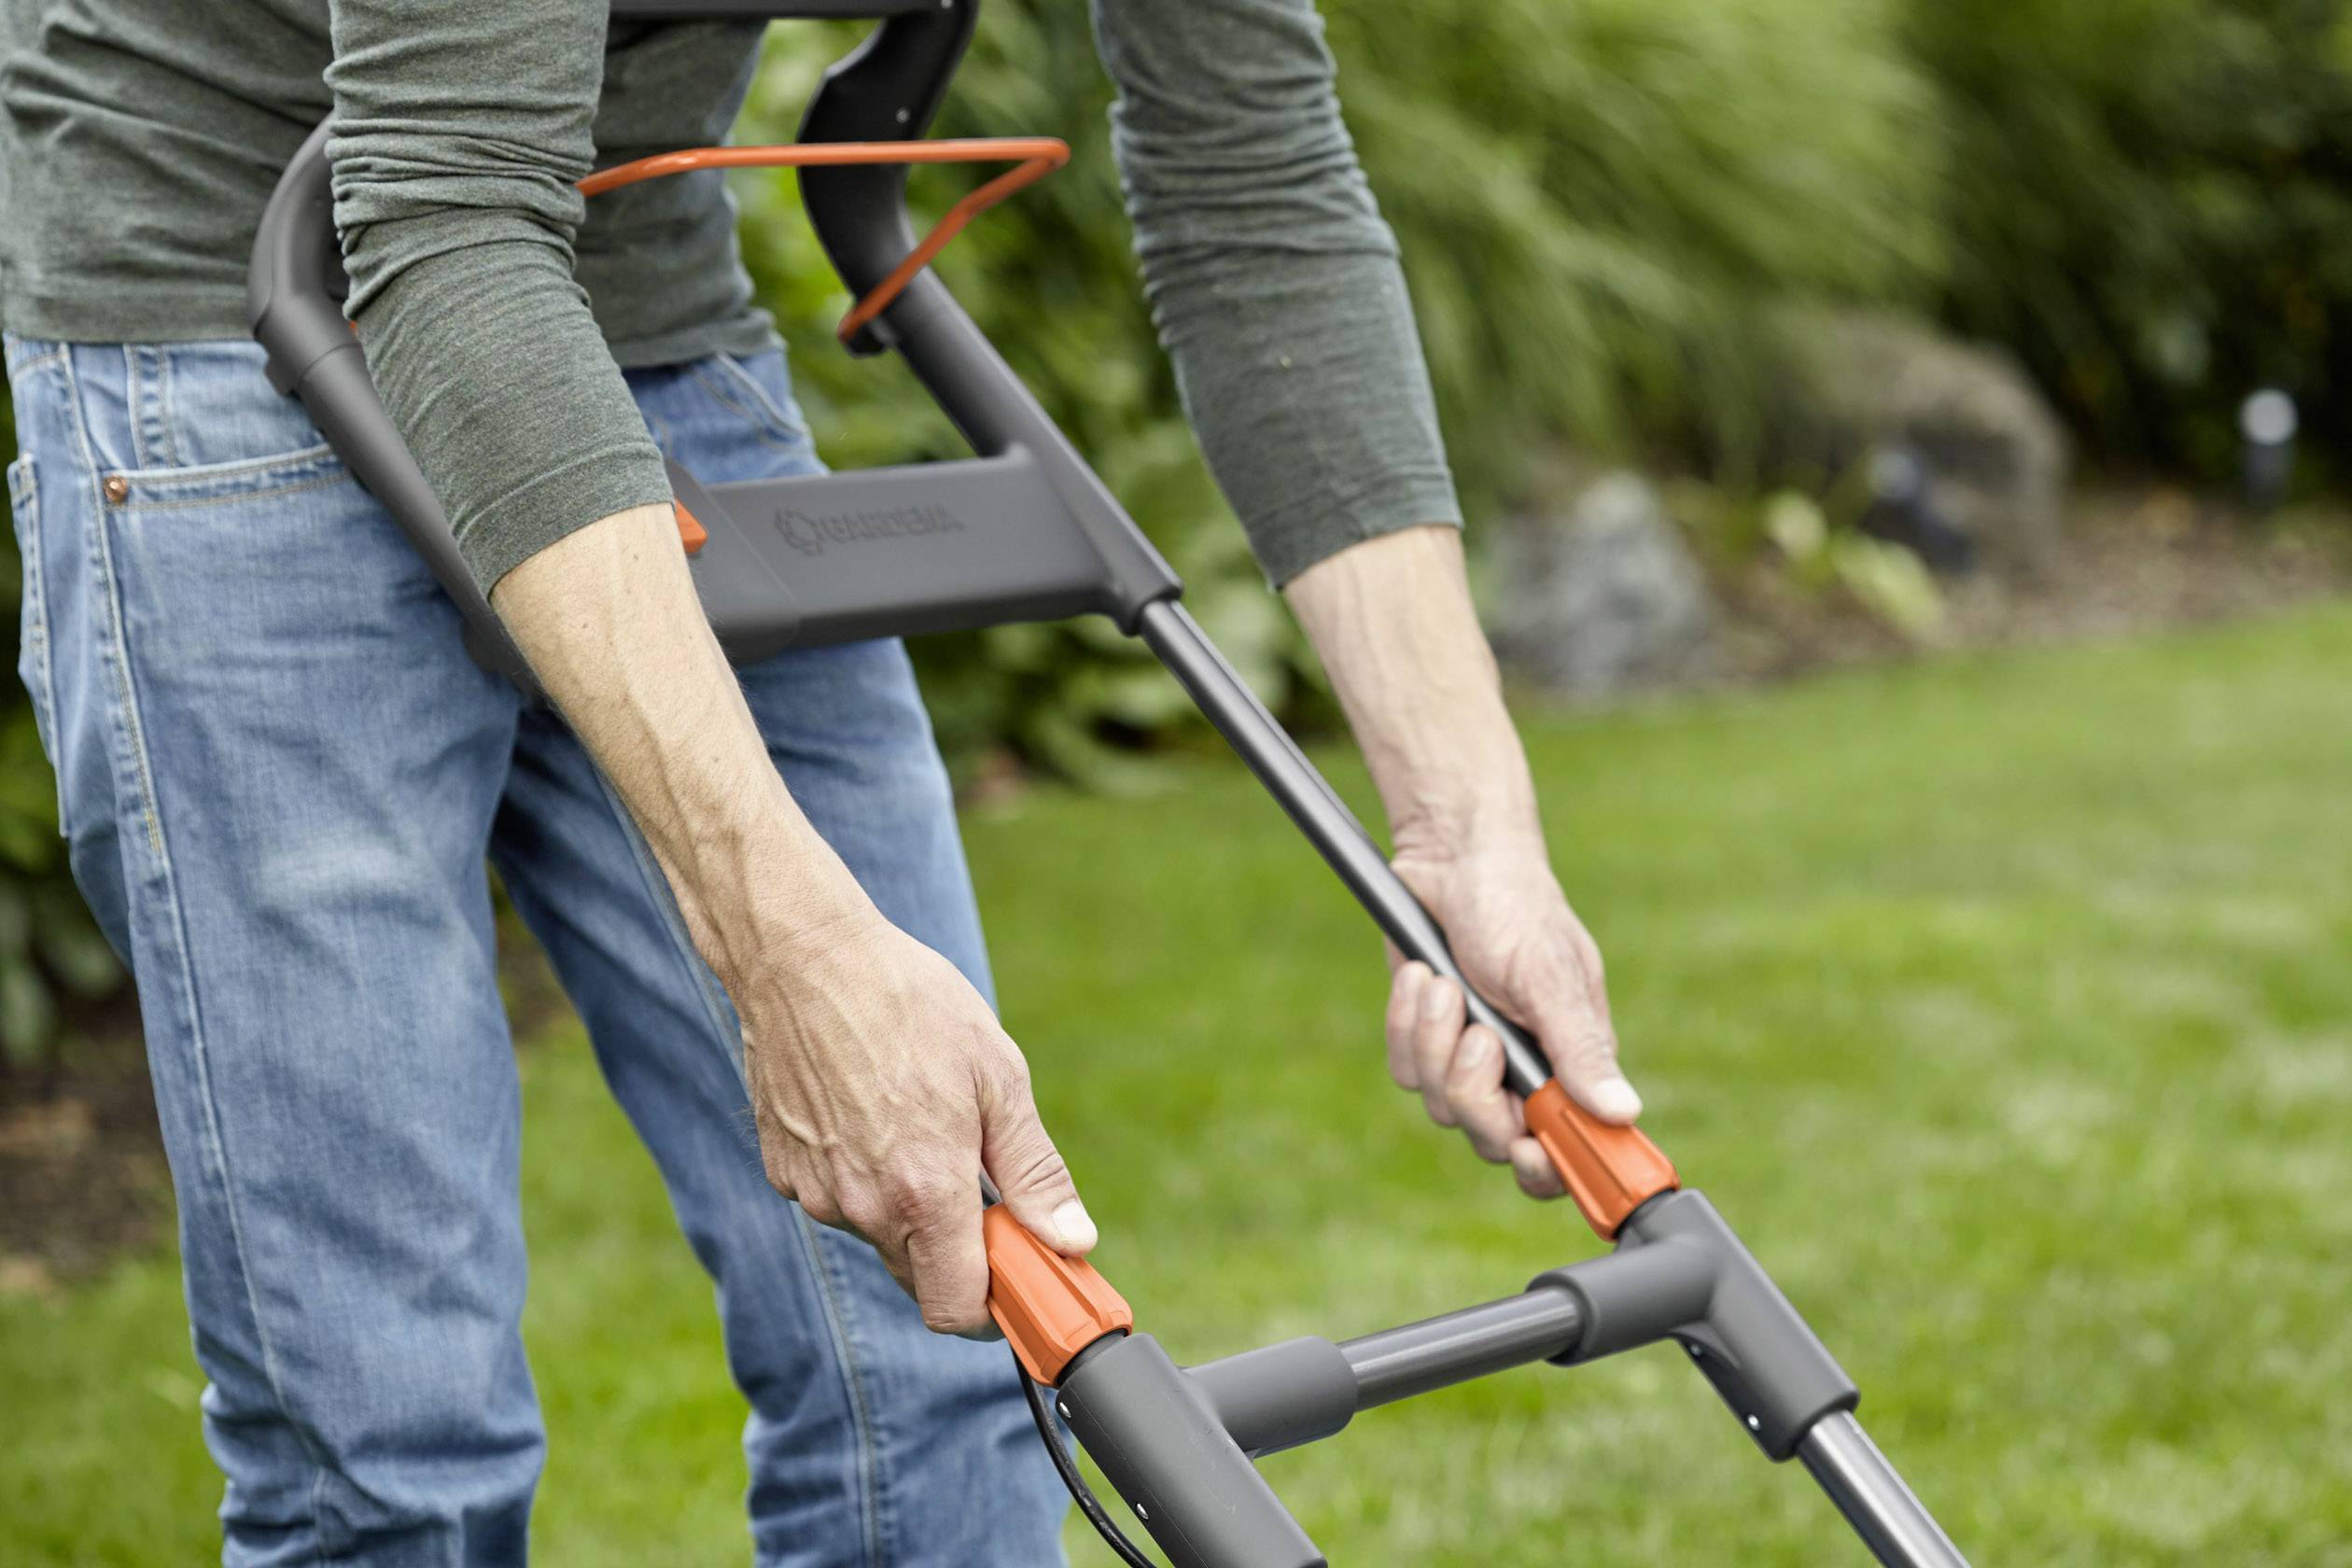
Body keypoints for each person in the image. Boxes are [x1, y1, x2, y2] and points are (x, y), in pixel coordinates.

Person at [0, 0, 1642, 1561]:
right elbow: (441, 206)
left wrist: (1466, 832)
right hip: (225, 308)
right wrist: (792, 961)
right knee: (391, 1447)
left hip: (628, 289)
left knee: (960, 1333)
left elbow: (1255, 171)